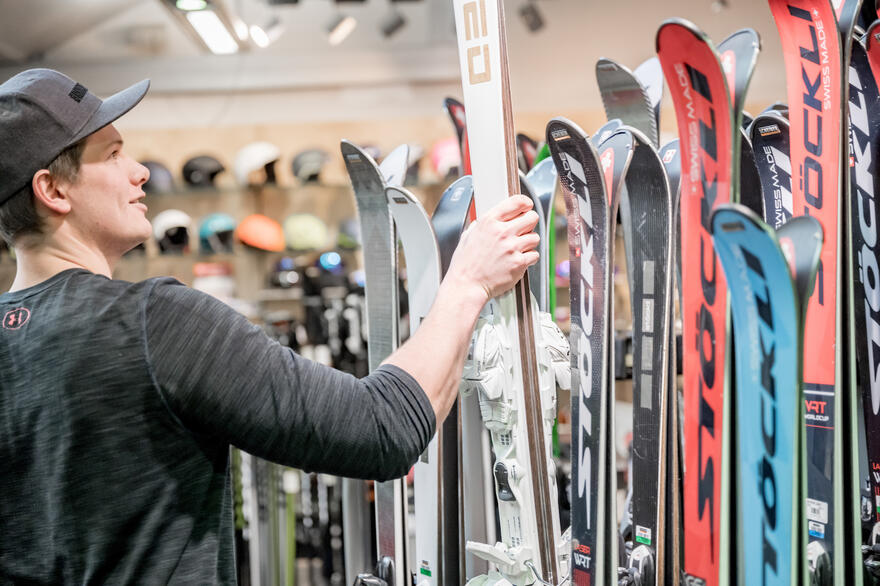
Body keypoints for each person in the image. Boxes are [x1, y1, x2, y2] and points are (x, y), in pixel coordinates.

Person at [0, 69, 540, 583]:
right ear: (53, 191)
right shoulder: (154, 323)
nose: (139, 171)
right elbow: (381, 429)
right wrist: (467, 282)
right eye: (113, 154)